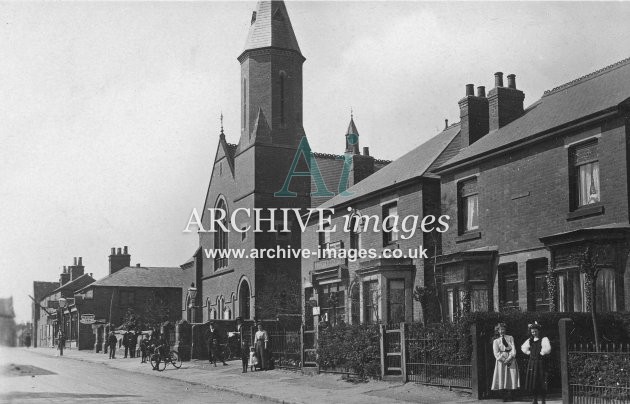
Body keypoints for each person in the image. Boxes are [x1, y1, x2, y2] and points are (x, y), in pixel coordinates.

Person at [521, 322, 551, 404]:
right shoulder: (530, 340)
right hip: (532, 363)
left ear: (539, 331)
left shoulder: (544, 339)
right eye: (532, 332)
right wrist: (529, 353)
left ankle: (543, 400)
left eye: (535, 331)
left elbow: (547, 349)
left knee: (541, 381)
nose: (534, 333)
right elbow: (523, 348)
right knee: (533, 382)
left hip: (541, 363)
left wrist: (542, 353)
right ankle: (534, 399)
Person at [491, 323, 520, 401]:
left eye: (503, 329)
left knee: (511, 376)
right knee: (502, 376)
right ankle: (504, 396)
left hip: (511, 358)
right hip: (501, 361)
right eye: (500, 330)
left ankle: (511, 395)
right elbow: (496, 353)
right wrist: (504, 360)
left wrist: (510, 358)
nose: (502, 331)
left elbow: (513, 348)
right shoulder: (496, 341)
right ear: (497, 331)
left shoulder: (510, 338)